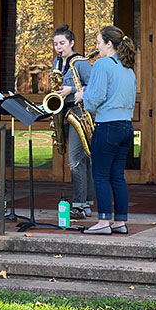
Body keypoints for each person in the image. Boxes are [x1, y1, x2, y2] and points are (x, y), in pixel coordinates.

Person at [75, 26, 136, 235]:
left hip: (107, 126)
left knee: (100, 176)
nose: (97, 47)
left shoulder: (102, 64)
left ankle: (102, 222)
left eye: (99, 42)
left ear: (109, 44)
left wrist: (83, 95)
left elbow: (94, 101)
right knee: (117, 176)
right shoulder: (128, 67)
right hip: (126, 126)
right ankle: (120, 222)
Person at [52, 24, 93, 220]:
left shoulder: (81, 62)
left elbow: (94, 85)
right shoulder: (56, 62)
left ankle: (78, 204)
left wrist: (72, 91)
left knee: (74, 160)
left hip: (79, 111)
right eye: (55, 44)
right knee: (82, 159)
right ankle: (85, 204)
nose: (58, 47)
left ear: (72, 43)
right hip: (64, 111)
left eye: (62, 43)